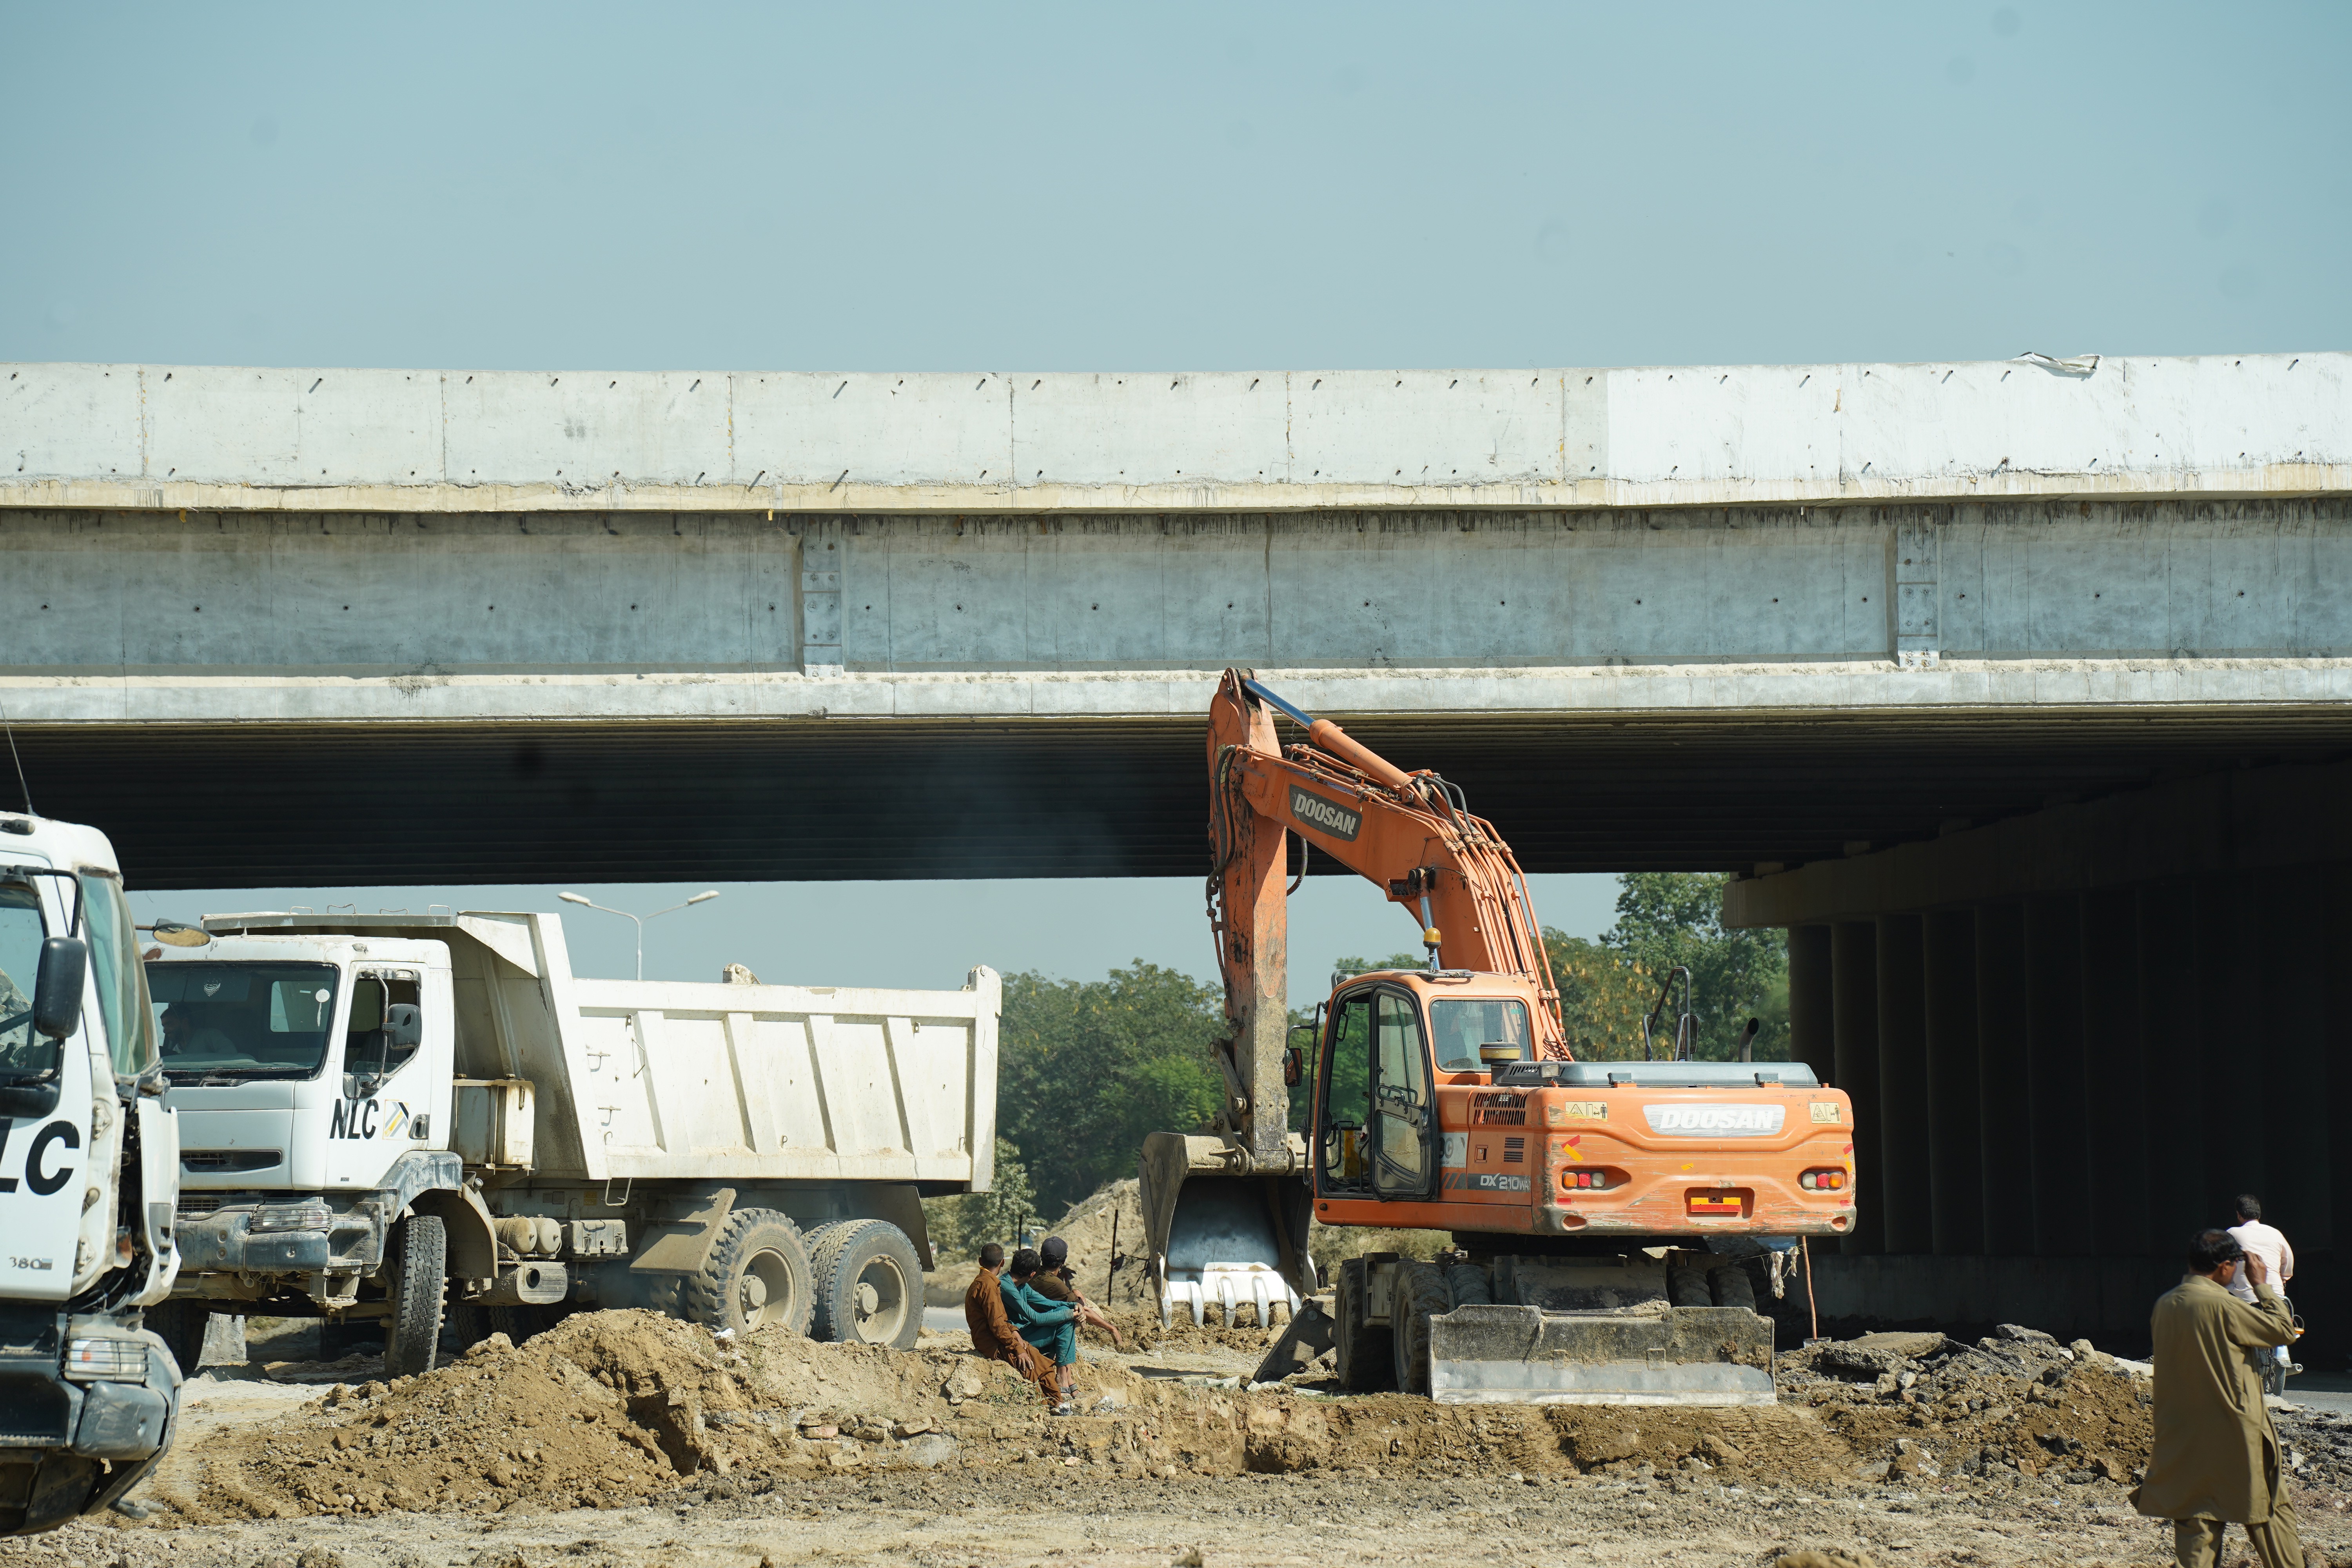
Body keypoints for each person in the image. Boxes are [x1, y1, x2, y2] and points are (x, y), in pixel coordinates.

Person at [2131, 1229, 2316, 1568]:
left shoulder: (2165, 1305)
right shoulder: (2224, 1306)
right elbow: (2283, 1331)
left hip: (2183, 1439)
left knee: (2197, 1524)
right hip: (2236, 1436)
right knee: (2268, 1512)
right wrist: (2262, 1285)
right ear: (2227, 1267)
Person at [962, 1242, 1062, 1412]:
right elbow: (997, 1326)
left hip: (998, 1337)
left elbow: (1001, 1321)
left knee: (1037, 1358)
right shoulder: (988, 1286)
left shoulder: (986, 1282)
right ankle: (1045, 1406)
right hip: (990, 1342)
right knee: (1028, 1364)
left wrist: (1016, 1333)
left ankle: (1057, 1403)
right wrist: (1017, 1348)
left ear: (980, 1261)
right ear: (1002, 1263)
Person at [2226, 1196, 2298, 1378]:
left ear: (2239, 1215)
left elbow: (2224, 1261)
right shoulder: (2275, 1233)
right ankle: (2282, 1353)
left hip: (2243, 1297)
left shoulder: (2233, 1233)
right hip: (2275, 1295)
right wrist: (2284, 1278)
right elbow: (2288, 1260)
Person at [1002, 1247, 1080, 1410]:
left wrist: (1075, 1306)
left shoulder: (1022, 1285)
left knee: (1062, 1315)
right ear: (1032, 1274)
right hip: (1019, 1338)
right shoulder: (1007, 1288)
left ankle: (1062, 1376)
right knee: (1065, 1320)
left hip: (1029, 1331)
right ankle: (1063, 1377)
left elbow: (1047, 1303)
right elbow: (1036, 1319)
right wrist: (1072, 1314)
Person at [1027, 1235, 1126, 1350]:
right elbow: (1084, 1311)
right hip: (1038, 1331)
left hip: (1030, 1322)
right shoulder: (1056, 1285)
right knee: (1076, 1310)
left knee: (1076, 1293)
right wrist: (1111, 1328)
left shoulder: (1035, 1273)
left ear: (1042, 1257)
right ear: (1063, 1261)